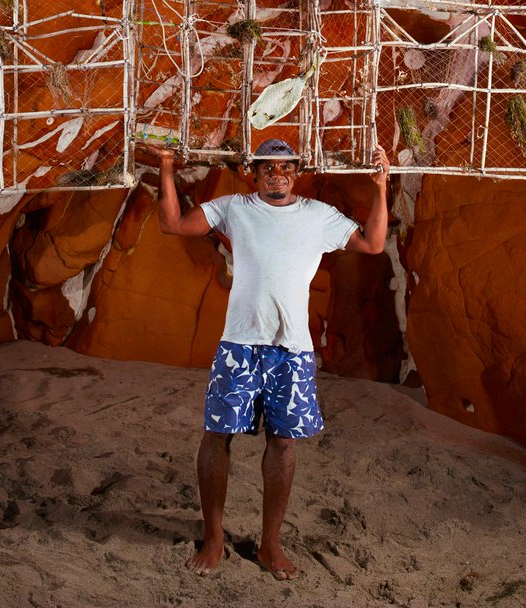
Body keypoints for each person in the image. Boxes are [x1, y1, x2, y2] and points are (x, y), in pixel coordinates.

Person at [144, 135, 390, 580]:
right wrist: (166, 167)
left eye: (286, 167)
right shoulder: (235, 208)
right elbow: (174, 225)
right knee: (217, 436)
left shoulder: (318, 216)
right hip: (239, 345)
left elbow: (373, 244)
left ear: (297, 172)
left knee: (283, 442)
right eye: (268, 168)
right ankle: (214, 536)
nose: (278, 175)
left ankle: (270, 544)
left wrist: (380, 186)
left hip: (292, 351)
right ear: (252, 172)